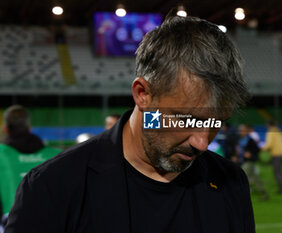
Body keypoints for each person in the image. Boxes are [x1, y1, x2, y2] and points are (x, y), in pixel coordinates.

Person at [5, 16, 254, 233]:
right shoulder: (53, 187)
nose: (201, 142)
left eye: (216, 123)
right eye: (186, 118)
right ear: (143, 94)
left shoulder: (231, 182)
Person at [0, 105, 61, 225]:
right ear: (29, 128)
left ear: (5, 129)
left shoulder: (2, 154)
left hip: (10, 222)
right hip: (50, 220)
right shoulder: (57, 155)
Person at [236, 124, 268, 201]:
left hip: (249, 162)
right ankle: (264, 193)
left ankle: (240, 194)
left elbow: (257, 150)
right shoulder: (240, 139)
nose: (241, 132)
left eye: (243, 130)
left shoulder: (250, 140)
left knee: (242, 176)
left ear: (246, 131)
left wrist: (250, 154)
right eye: (240, 130)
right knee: (255, 178)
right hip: (243, 161)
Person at [262, 120, 282, 194]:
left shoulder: (270, 132)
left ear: (269, 125)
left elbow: (269, 144)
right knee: (279, 171)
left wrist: (261, 149)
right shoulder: (278, 131)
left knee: (277, 172)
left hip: (276, 154)